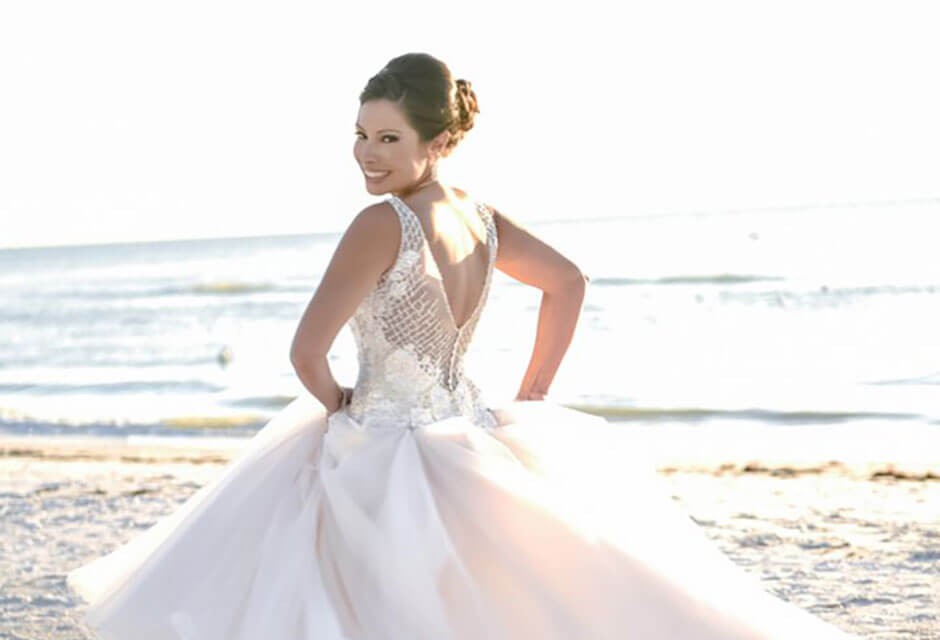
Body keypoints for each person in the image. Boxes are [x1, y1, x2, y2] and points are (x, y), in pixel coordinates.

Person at [66, 53, 859, 639]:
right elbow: (568, 282)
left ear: (439, 139)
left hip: (383, 439)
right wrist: (533, 393)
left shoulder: (381, 223)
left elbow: (306, 352)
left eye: (388, 137)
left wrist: (342, 406)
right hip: (469, 429)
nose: (368, 153)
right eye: (360, 134)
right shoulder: (480, 217)